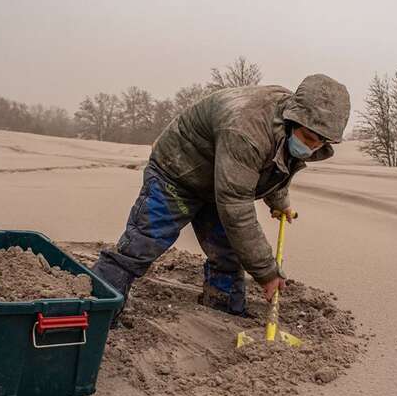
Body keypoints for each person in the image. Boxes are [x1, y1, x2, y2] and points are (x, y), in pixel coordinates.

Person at [93, 74, 350, 318]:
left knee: (228, 253)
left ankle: (223, 311)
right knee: (143, 243)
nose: (312, 147)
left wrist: (279, 202)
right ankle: (96, 308)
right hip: (177, 172)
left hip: (220, 181)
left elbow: (277, 164)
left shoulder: (288, 128)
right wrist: (267, 272)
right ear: (293, 119)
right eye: (309, 138)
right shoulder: (247, 129)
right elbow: (236, 208)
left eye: (321, 143)